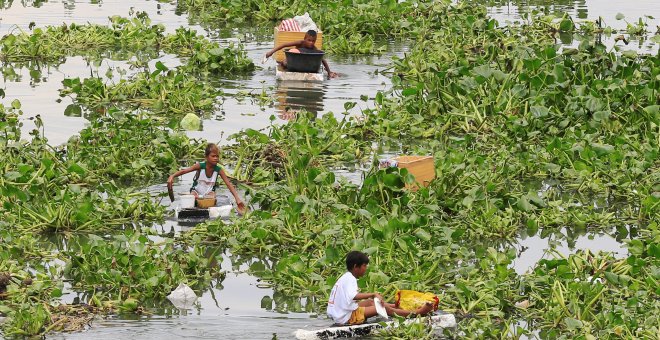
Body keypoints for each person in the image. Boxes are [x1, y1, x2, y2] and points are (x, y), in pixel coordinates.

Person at [326, 250, 433, 325]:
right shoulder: (350, 279)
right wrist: (373, 294)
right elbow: (353, 296)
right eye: (364, 266)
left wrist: (372, 298)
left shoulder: (346, 276)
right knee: (382, 309)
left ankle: (397, 306)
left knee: (370, 302)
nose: (366, 269)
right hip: (346, 317)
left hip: (340, 313)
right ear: (355, 266)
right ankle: (417, 313)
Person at [167, 143, 246, 214]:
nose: (216, 158)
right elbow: (184, 171)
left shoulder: (219, 170)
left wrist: (237, 199)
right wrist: (172, 176)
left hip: (209, 193)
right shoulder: (200, 166)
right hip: (196, 191)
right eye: (213, 156)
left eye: (217, 156)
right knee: (192, 198)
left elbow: (229, 184)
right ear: (206, 157)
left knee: (212, 197)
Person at [265, 30, 338, 79]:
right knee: (284, 63)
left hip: (303, 64)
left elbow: (323, 59)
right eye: (309, 40)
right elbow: (284, 45)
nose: (311, 43)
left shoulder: (313, 48)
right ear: (305, 39)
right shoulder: (300, 43)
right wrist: (271, 52)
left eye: (313, 41)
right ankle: (283, 64)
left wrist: (329, 72)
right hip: (294, 62)